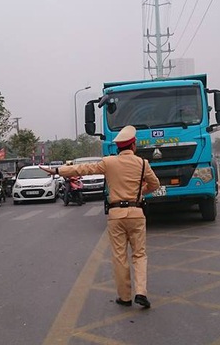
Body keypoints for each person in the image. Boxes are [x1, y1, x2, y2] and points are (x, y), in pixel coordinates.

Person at [40, 125, 160, 309]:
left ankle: (125, 297)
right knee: (139, 254)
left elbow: (84, 169)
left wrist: (57, 171)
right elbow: (155, 184)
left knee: (120, 257)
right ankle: (141, 292)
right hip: (136, 213)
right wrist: (140, 193)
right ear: (133, 145)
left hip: (116, 214)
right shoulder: (143, 163)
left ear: (118, 147)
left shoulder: (108, 162)